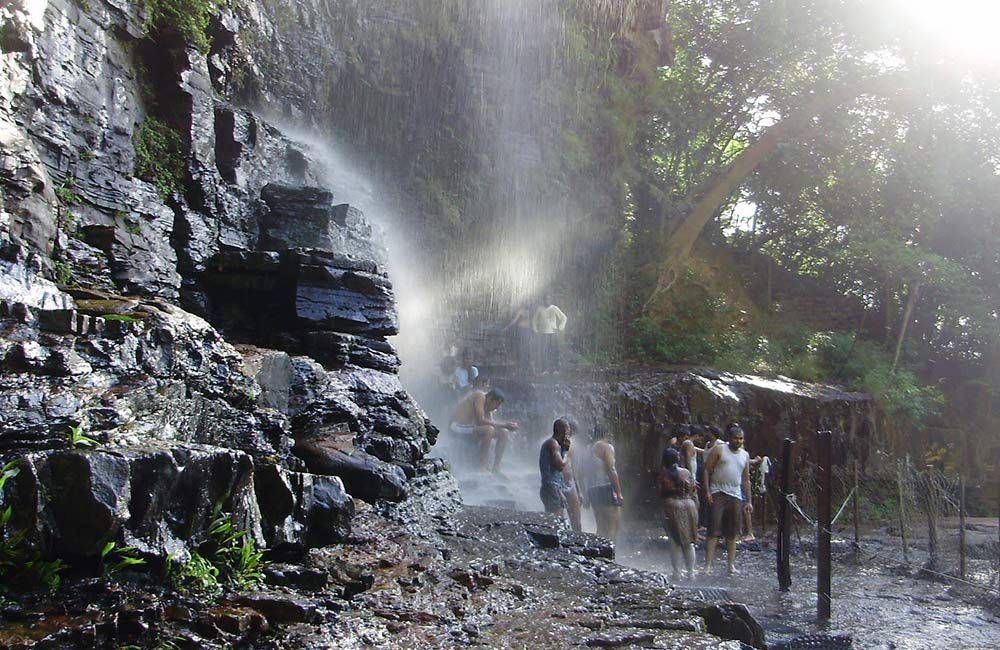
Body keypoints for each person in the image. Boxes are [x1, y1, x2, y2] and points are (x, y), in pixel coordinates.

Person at [703, 425, 752, 576]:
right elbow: (706, 469)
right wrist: (707, 492)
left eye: (741, 438)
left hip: (735, 494)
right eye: (736, 438)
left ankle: (731, 565)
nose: (738, 441)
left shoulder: (745, 455)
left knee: (733, 532)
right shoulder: (720, 450)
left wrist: (749, 500)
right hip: (718, 491)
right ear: (729, 438)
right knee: (713, 530)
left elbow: (746, 479)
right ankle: (708, 566)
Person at [450, 388, 519, 476]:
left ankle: (496, 467)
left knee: (503, 432)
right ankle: (481, 466)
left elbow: (492, 424)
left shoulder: (487, 408)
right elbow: (481, 421)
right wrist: (505, 424)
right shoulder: (480, 396)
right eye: (497, 404)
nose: (497, 408)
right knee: (489, 430)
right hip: (456, 427)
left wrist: (507, 427)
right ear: (490, 398)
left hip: (469, 429)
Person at [658, 447, 698, 582]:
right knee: (689, 541)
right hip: (689, 505)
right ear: (678, 458)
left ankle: (677, 573)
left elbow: (659, 493)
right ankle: (691, 573)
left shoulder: (663, 475)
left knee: (675, 541)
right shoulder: (686, 472)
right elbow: (693, 490)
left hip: (672, 506)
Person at [585, 423, 624, 542]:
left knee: (601, 527)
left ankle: (597, 556)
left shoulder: (588, 449)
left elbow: (583, 473)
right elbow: (611, 470)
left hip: (592, 489)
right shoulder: (606, 447)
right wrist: (618, 493)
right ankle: (609, 557)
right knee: (614, 526)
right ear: (606, 434)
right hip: (606, 488)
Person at [539, 418, 571, 518]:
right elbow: (560, 465)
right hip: (551, 488)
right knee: (556, 521)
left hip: (553, 487)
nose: (568, 437)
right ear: (564, 432)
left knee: (558, 520)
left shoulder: (554, 444)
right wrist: (565, 452)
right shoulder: (553, 443)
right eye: (568, 433)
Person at [560, 418, 586, 532]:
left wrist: (579, 491)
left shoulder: (572, 445)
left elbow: (574, 470)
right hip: (558, 483)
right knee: (558, 520)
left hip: (570, 484)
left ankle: (578, 544)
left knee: (576, 519)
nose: (570, 434)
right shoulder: (553, 443)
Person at [532, 297, 567, 375]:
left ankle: (555, 369)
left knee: (555, 351)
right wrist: (535, 330)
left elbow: (564, 318)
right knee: (544, 351)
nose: (547, 301)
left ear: (551, 300)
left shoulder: (554, 308)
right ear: (543, 300)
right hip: (543, 333)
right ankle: (545, 369)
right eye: (545, 299)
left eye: (548, 299)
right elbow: (534, 320)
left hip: (553, 333)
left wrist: (561, 327)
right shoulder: (539, 309)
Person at [501, 303, 534, 375]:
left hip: (526, 331)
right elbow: (514, 320)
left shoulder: (529, 311)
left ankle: (527, 368)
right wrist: (507, 327)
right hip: (521, 331)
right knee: (521, 349)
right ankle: (519, 368)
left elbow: (532, 322)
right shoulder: (521, 311)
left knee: (526, 349)